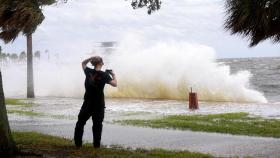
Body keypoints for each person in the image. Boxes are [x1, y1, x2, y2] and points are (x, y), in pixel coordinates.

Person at [74, 56, 117, 148]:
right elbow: (115, 84)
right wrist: (113, 75)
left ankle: (78, 145)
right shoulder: (105, 75)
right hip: (99, 105)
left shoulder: (88, 71)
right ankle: (96, 146)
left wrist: (90, 58)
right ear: (101, 63)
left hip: (87, 103)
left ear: (93, 63)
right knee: (97, 126)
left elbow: (83, 63)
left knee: (80, 123)